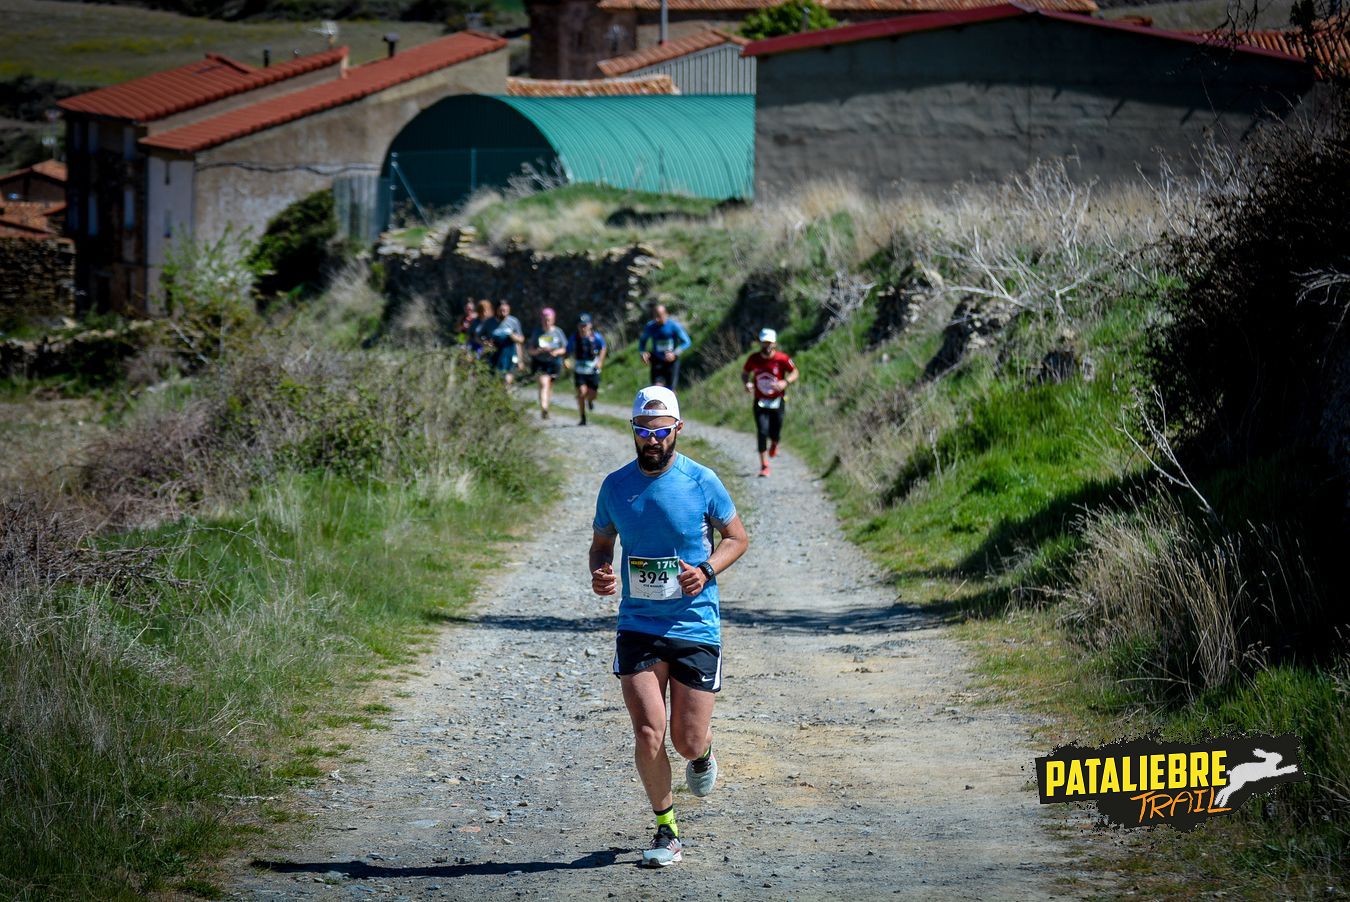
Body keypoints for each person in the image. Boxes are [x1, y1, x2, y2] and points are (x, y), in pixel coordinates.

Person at [589, 386, 750, 868]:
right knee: (647, 732)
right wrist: (600, 571)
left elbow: (737, 538)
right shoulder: (615, 486)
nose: (652, 439)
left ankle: (702, 755)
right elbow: (601, 543)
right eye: (644, 430)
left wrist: (707, 570)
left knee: (686, 740)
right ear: (634, 432)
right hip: (638, 624)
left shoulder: (702, 481)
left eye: (661, 430)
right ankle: (666, 828)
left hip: (695, 624)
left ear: (677, 429)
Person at [741, 327, 798, 478]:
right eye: (764, 342)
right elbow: (745, 373)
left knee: (776, 430)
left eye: (769, 343)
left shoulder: (782, 359)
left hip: (777, 400)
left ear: (774, 344)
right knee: (762, 431)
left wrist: (785, 382)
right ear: (760, 343)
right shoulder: (753, 359)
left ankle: (775, 442)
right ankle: (764, 466)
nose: (766, 346)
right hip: (760, 401)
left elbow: (794, 372)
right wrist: (747, 384)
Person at [638, 304, 691, 390]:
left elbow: (686, 342)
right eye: (655, 316)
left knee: (671, 391)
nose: (656, 319)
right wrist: (642, 352)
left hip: (671, 362)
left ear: (666, 314)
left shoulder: (674, 326)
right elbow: (642, 341)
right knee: (656, 388)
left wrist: (674, 353)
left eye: (659, 316)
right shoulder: (650, 327)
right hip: (657, 360)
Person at [528, 307, 568, 419]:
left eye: (549, 320)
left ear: (553, 319)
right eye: (545, 320)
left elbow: (565, 348)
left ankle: (546, 406)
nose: (547, 322)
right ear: (541, 320)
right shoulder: (537, 332)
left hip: (554, 362)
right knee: (543, 383)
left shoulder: (558, 332)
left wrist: (555, 352)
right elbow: (530, 350)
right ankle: (544, 408)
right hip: (540, 362)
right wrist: (539, 351)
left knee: (549, 386)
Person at [567, 313, 607, 426]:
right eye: (581, 325)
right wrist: (567, 361)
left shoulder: (596, 337)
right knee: (581, 392)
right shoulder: (574, 338)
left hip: (592, 369)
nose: (583, 328)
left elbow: (603, 348)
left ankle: (590, 401)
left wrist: (600, 362)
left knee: (592, 394)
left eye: (585, 325)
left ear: (590, 325)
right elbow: (567, 351)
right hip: (579, 369)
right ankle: (582, 417)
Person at [482, 301, 523, 384]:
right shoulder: (489, 322)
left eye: (506, 310)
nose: (504, 313)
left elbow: (521, 340)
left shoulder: (513, 321)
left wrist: (520, 360)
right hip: (494, 356)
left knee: (506, 381)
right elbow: (480, 337)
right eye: (501, 310)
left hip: (510, 355)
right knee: (494, 381)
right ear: (496, 310)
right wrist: (486, 343)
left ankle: (507, 394)